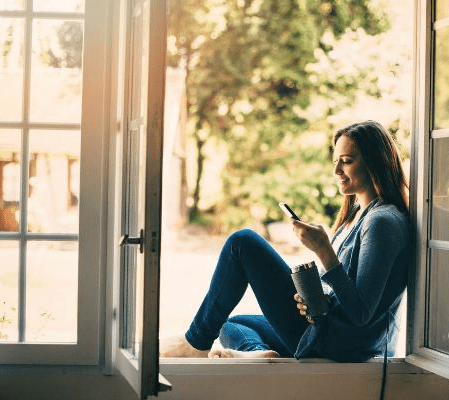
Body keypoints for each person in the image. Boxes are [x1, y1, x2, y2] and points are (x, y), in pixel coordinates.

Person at [160, 120, 410, 362]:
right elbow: (347, 292)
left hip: (338, 342)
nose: (336, 171)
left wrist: (323, 250)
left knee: (243, 243)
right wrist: (315, 297)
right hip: (326, 328)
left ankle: (195, 343)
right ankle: (258, 352)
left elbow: (360, 313)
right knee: (231, 324)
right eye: (336, 162)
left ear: (375, 162)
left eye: (346, 161)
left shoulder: (382, 222)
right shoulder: (358, 214)